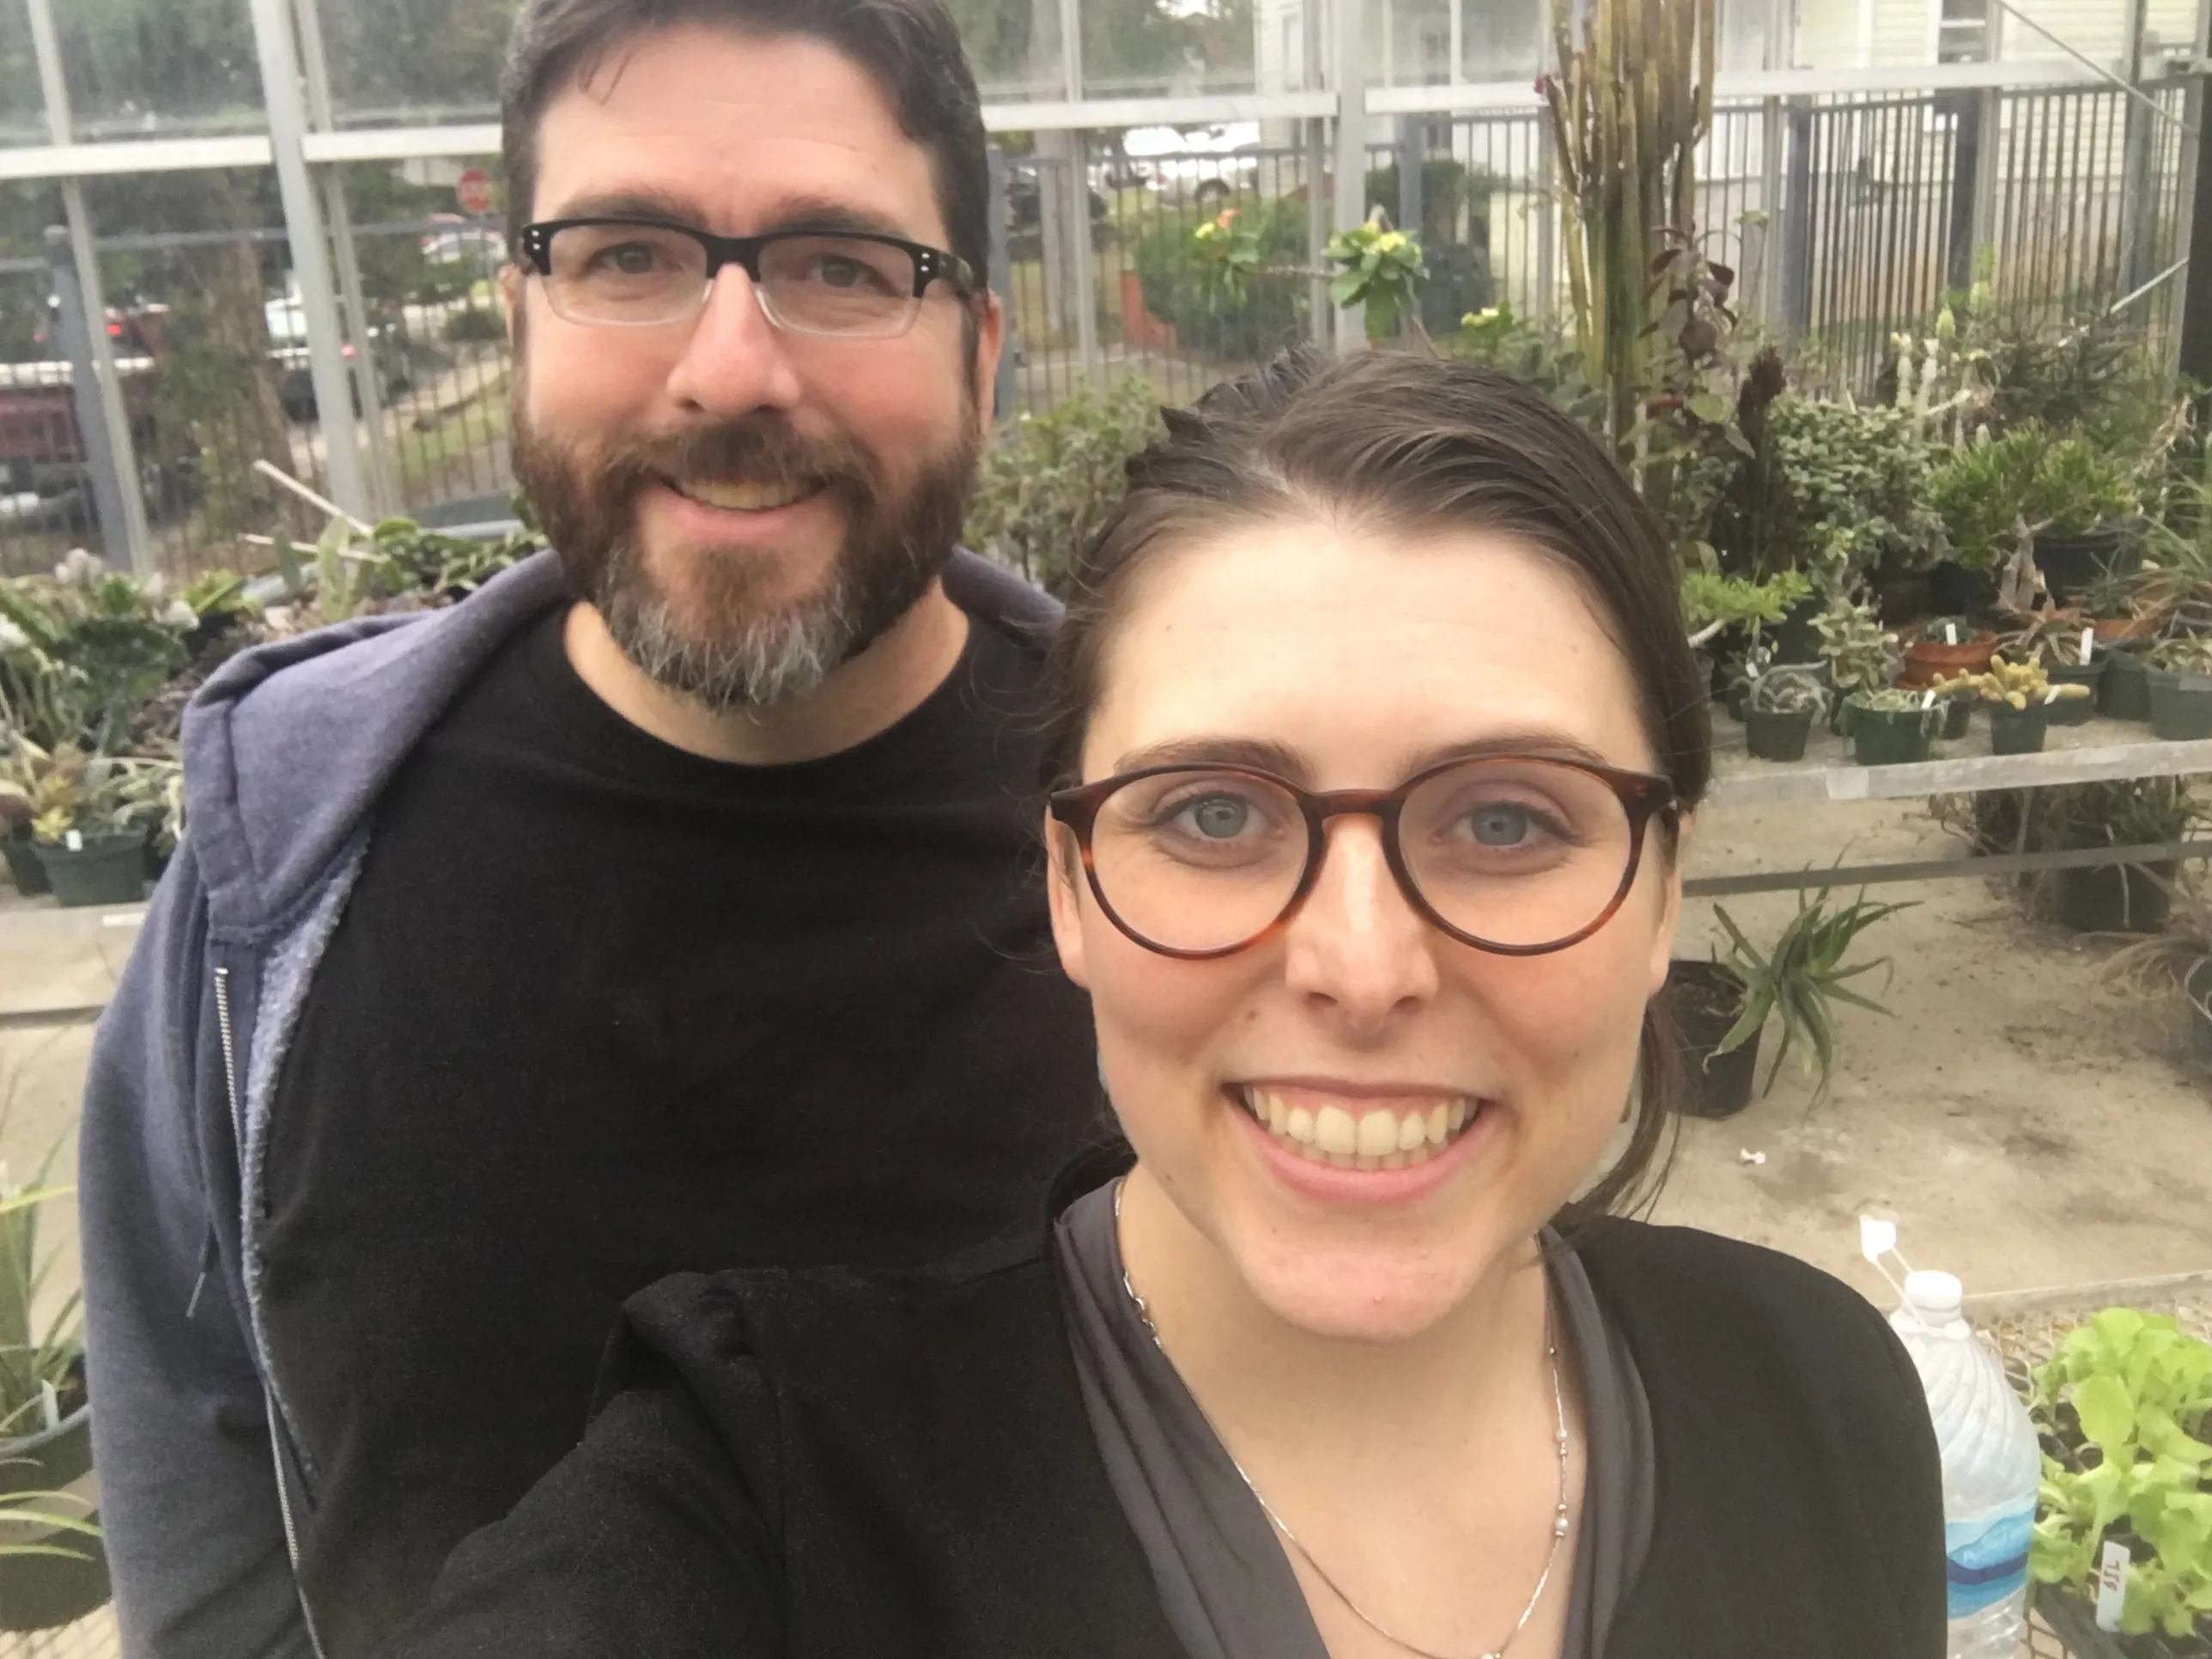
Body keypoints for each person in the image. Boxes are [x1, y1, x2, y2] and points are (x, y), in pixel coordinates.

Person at [380, 350, 1948, 1659]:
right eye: (1212, 813)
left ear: (1667, 890)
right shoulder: (764, 1504)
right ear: (1067, 886)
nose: (1360, 963)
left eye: (1506, 820)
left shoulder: (1821, 1402)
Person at [78, 3, 1103, 1655]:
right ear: (520, 320)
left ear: (980, 351)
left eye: (842, 265)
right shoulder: (277, 888)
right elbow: (203, 1528)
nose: (731, 370)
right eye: (628, 255)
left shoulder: (1189, 849)